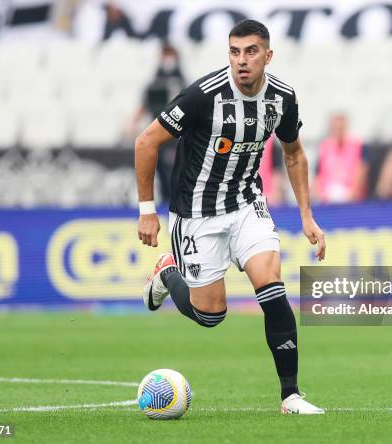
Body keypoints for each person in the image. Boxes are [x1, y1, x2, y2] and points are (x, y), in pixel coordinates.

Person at [134, 20, 326, 414]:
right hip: (197, 212)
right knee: (210, 314)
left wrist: (307, 215)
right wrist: (147, 210)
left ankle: (290, 396)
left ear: (267, 56)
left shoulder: (283, 98)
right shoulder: (203, 96)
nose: (242, 61)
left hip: (246, 203)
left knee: (271, 284)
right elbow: (146, 141)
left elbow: (294, 153)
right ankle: (168, 272)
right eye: (235, 52)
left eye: (251, 51)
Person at [127, 43, 186, 201]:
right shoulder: (154, 82)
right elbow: (145, 104)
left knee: (176, 169)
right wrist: (132, 122)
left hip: (177, 135)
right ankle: (165, 200)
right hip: (159, 133)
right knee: (159, 170)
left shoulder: (183, 82)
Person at [315, 113, 367, 203]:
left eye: (341, 128)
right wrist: (318, 194)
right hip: (327, 196)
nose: (338, 131)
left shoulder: (357, 144)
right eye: (335, 128)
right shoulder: (325, 146)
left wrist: (354, 193)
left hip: (350, 197)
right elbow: (318, 173)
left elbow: (361, 169)